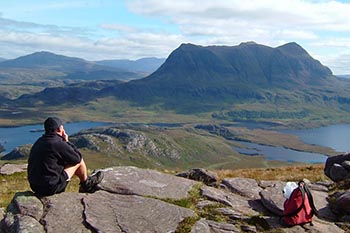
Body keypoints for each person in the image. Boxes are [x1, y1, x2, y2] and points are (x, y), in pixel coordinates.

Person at [27, 117, 103, 196]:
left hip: (35, 186)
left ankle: (86, 182)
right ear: (60, 129)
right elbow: (77, 158)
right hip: (51, 188)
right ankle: (87, 184)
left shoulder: (39, 141)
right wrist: (67, 142)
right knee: (79, 162)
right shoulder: (57, 143)